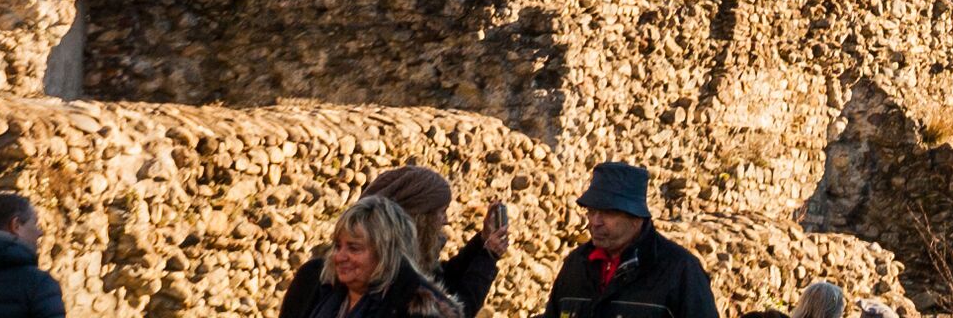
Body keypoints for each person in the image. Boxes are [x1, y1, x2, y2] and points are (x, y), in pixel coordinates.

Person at [281, 167, 508, 318]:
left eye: (353, 248)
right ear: (419, 220)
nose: (446, 221)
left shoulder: (415, 297)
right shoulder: (316, 279)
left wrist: (483, 248)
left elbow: (448, 294)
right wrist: (485, 253)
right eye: (440, 212)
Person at [541, 165, 717, 318]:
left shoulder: (680, 270)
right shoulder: (576, 265)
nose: (595, 222)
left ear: (636, 218)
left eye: (608, 213)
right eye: (591, 211)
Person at [309, 200, 460, 318]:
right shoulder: (321, 291)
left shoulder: (420, 309)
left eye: (354, 248)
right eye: (337, 246)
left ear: (385, 253)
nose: (339, 257)